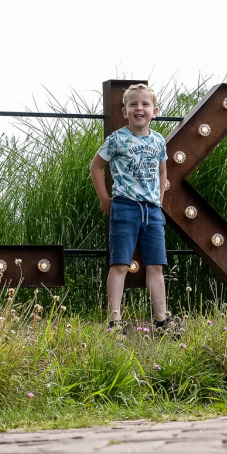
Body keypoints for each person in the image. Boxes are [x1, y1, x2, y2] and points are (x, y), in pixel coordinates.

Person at [89, 83, 177, 333]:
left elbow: (162, 170)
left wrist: (158, 200)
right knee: (119, 264)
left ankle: (161, 319)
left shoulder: (159, 140)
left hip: (151, 210)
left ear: (155, 110)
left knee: (156, 265)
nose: (140, 108)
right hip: (125, 207)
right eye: (134, 104)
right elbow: (96, 167)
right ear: (125, 110)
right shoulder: (116, 139)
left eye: (145, 104)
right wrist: (105, 199)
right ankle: (114, 321)